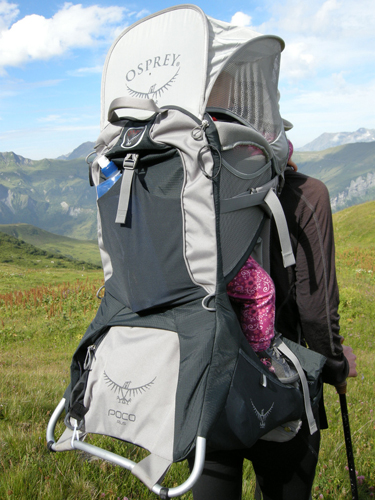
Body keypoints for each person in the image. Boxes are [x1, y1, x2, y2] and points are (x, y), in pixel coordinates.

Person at [188, 154, 357, 500]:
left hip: (204, 385)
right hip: (281, 389)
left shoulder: (189, 188)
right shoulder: (306, 194)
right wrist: (336, 366)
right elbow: (316, 313)